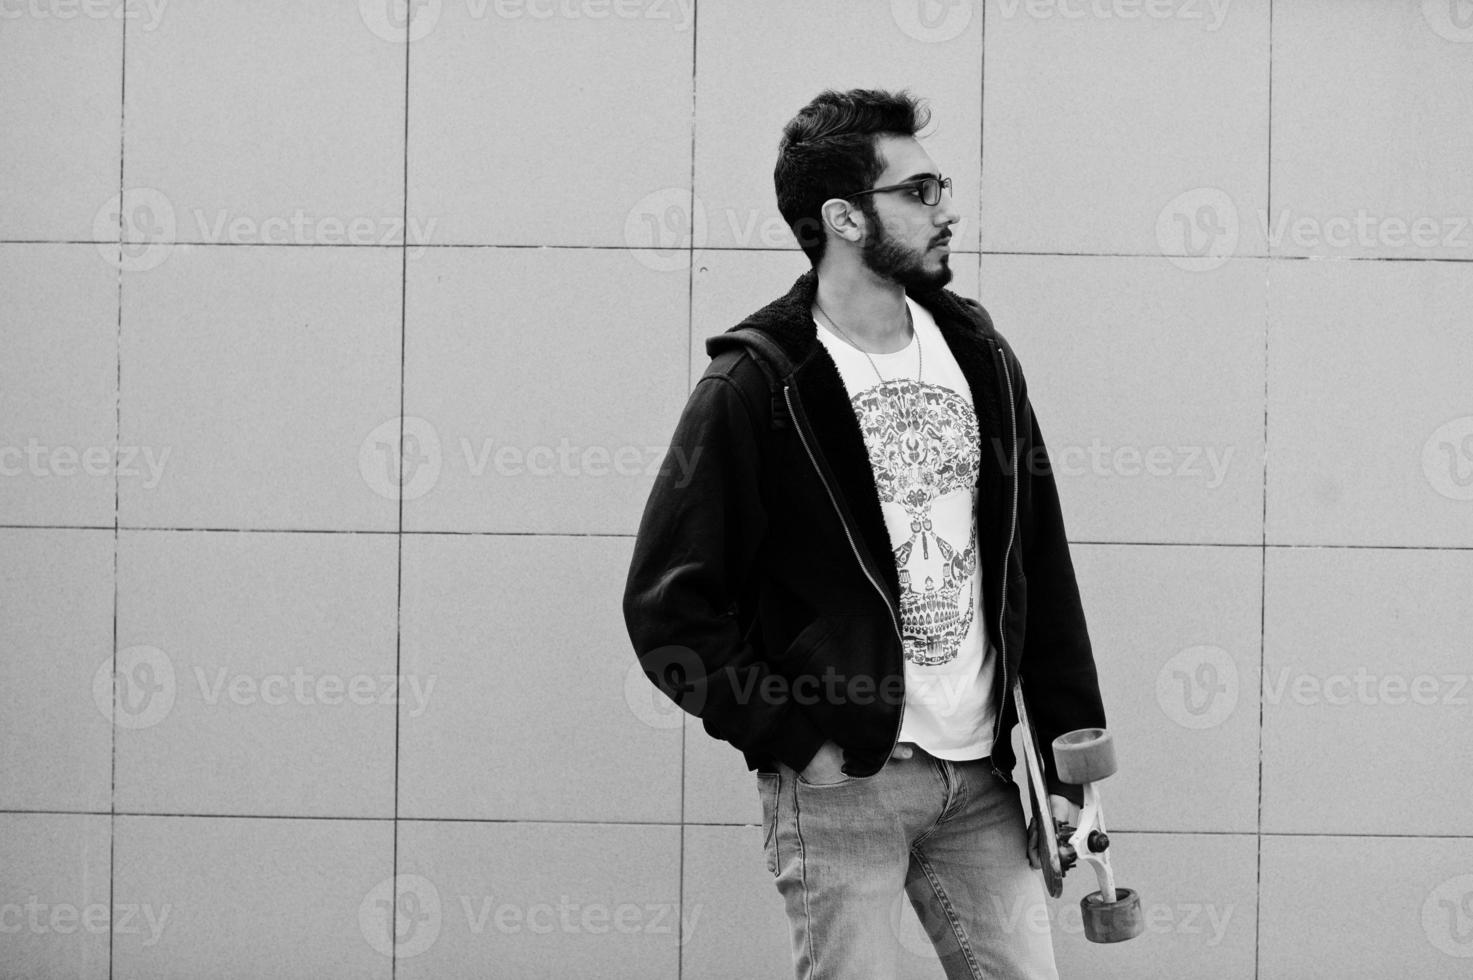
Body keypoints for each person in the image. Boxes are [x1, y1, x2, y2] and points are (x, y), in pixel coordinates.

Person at [623, 88, 1106, 980]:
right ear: (844, 217)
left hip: (987, 778)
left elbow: (1036, 557)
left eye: (941, 185)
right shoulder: (759, 385)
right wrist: (795, 742)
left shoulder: (979, 357)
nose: (946, 209)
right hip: (846, 784)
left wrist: (1066, 758)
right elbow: (668, 609)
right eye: (918, 191)